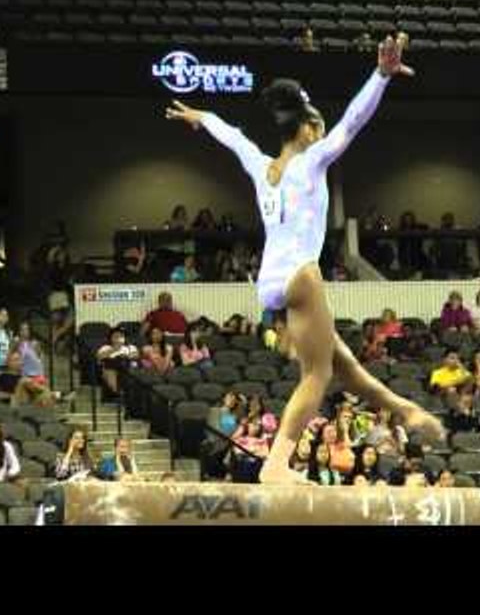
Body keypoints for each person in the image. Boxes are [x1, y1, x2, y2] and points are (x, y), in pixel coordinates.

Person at [166, 33, 442, 484]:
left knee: (345, 369)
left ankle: (407, 410)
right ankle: (276, 465)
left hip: (269, 280)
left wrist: (200, 116)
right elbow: (352, 123)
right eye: (319, 126)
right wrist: (380, 76)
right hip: (300, 274)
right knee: (317, 375)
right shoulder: (312, 161)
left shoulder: (260, 164)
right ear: (309, 129)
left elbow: (230, 134)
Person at [96, 327, 140, 396]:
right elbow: (99, 357)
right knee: (109, 367)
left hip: (128, 368)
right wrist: (114, 349)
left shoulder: (130, 347)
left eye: (121, 336)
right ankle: (117, 393)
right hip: (111, 369)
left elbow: (136, 355)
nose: (118, 338)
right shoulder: (106, 347)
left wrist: (127, 356)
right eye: (116, 336)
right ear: (111, 338)